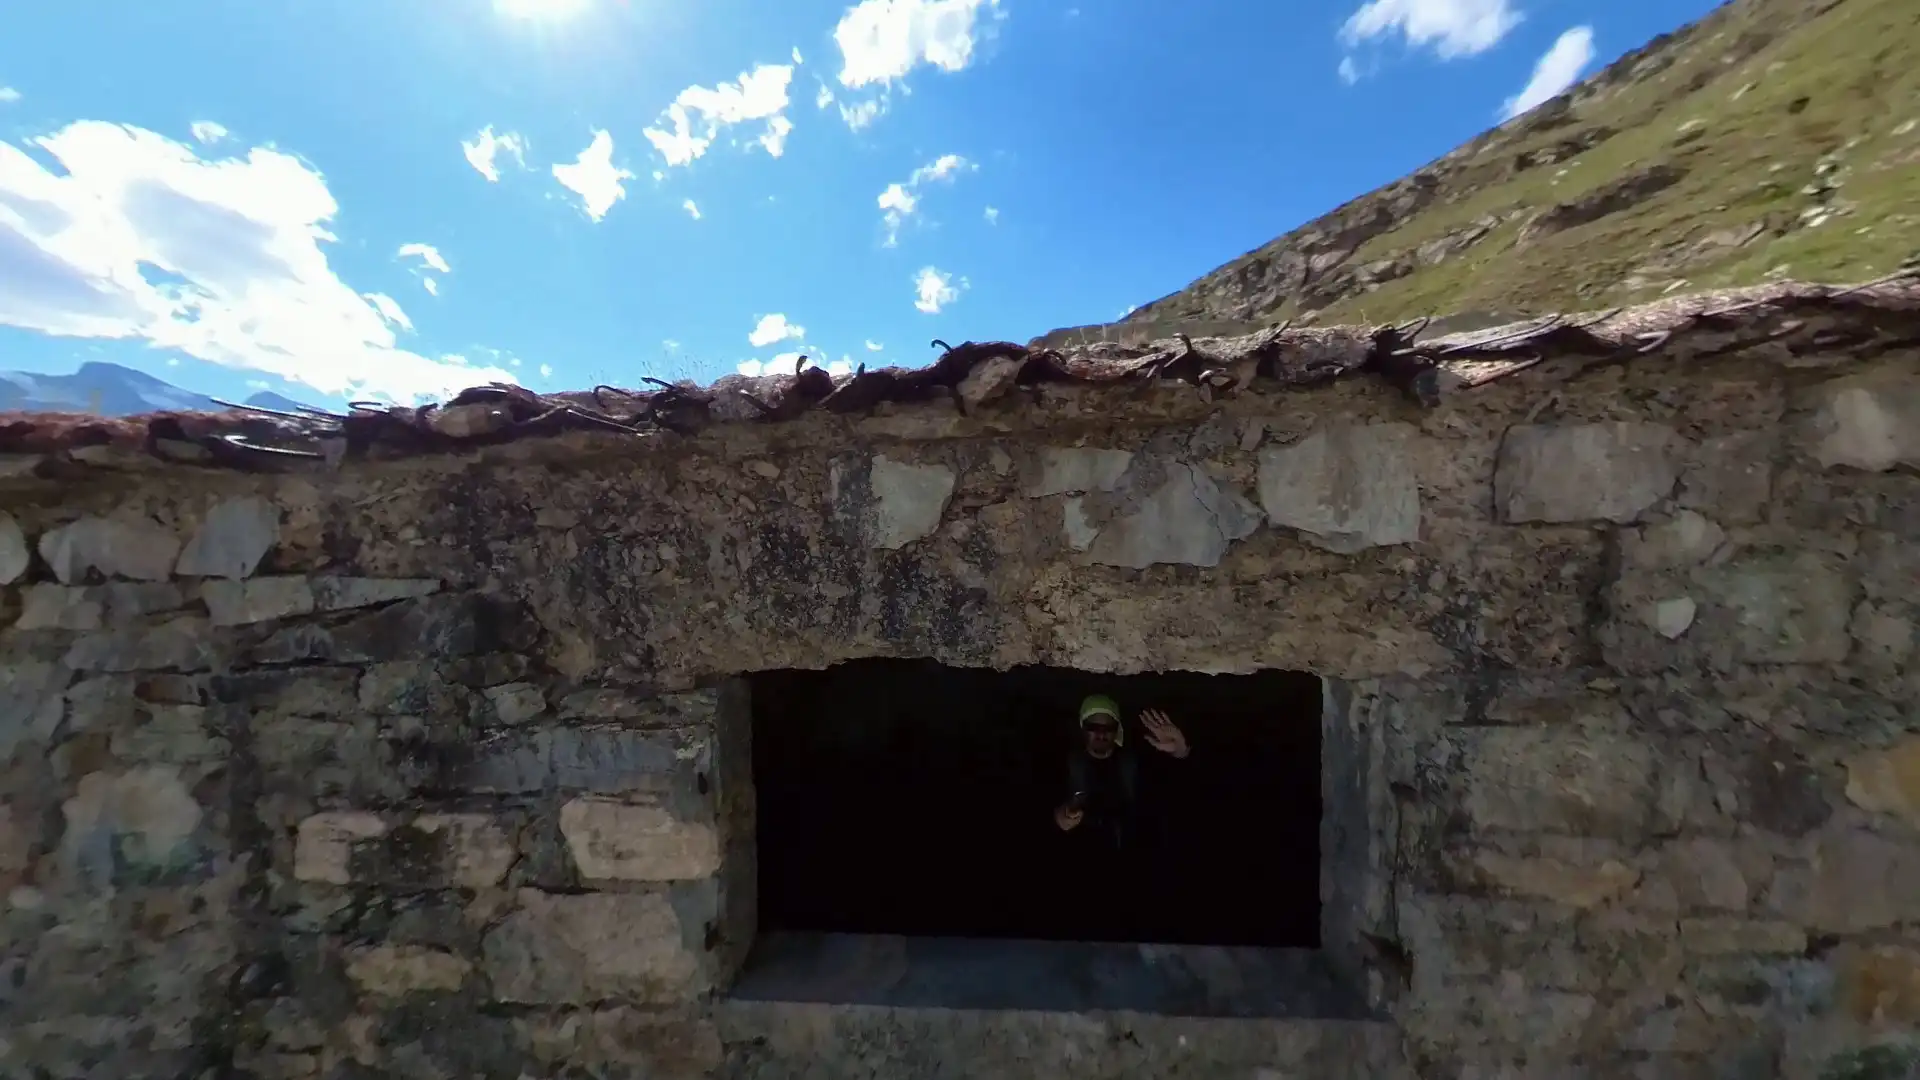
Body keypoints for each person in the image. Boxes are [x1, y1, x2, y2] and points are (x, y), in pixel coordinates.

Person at [1053, 694, 1190, 852]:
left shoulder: (1134, 763)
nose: (1101, 734)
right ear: (1083, 727)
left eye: (1108, 728)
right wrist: (1059, 820)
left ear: (1117, 729)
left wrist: (1181, 751)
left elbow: (1182, 789)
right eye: (1093, 727)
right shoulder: (1066, 765)